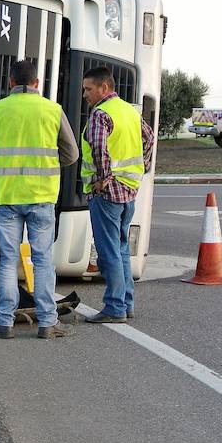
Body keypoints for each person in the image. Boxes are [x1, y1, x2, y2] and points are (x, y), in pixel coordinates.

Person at [0, 60, 79, 339]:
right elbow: (72, 154)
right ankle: (48, 323)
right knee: (42, 260)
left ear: (11, 82)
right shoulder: (52, 110)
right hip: (42, 196)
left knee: (7, 261)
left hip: (7, 196)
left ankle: (4, 323)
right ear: (36, 83)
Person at [80, 66, 156, 323]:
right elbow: (150, 138)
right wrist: (142, 167)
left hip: (107, 193)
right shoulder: (129, 111)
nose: (85, 94)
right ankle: (126, 303)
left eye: (88, 89)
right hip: (129, 190)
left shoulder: (101, 114)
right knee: (121, 248)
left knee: (108, 251)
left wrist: (102, 179)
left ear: (104, 87)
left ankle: (114, 307)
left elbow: (99, 148)